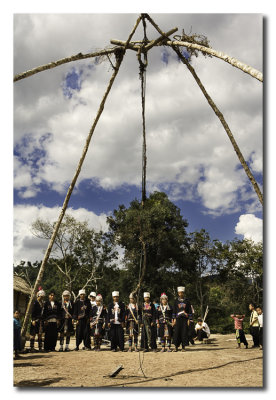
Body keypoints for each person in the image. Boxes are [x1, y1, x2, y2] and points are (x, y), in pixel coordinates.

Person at [172, 286, 192, 352]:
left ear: (183, 293)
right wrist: (174, 319)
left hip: (185, 319)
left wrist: (189, 319)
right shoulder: (176, 301)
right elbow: (174, 310)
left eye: (182, 293)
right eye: (179, 293)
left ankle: (183, 347)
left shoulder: (187, 301)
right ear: (178, 293)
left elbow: (190, 311)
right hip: (178, 319)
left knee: (184, 332)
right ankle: (176, 347)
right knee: (177, 333)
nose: (180, 294)